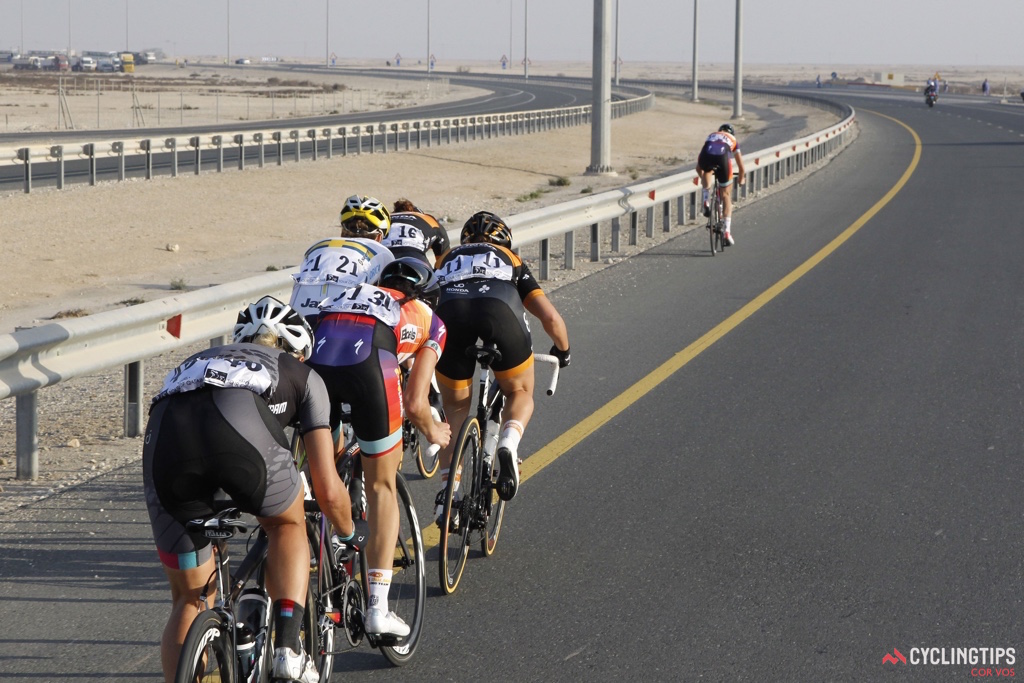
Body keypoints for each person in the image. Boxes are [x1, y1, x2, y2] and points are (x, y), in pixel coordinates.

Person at [143, 296, 358, 683]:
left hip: (165, 434)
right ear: (300, 350)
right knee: (286, 526)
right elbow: (326, 488)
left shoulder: (202, 358)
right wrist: (349, 534)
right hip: (237, 424)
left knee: (190, 598)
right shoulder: (302, 373)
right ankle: (288, 649)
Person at [305, 257, 451, 637]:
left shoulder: (348, 293)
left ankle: (325, 535)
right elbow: (417, 404)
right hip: (370, 365)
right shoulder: (431, 320)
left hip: (317, 359)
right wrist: (434, 433)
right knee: (381, 485)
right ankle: (378, 609)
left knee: (325, 470)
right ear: (427, 296)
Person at [432, 211, 570, 515]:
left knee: (454, 409)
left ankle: (446, 494)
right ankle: (508, 439)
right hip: (500, 311)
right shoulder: (510, 258)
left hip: (449, 313)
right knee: (520, 391)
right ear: (504, 239)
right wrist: (563, 351)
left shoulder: (446, 258)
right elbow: (550, 318)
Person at [289, 194, 395, 326]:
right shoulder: (383, 252)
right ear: (379, 237)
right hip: (338, 317)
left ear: (342, 230)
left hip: (298, 314)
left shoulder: (317, 246)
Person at [696, 123, 746, 246]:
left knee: (707, 171)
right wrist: (741, 179)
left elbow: (698, 168)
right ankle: (727, 232)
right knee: (726, 195)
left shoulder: (711, 135)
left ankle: (706, 199)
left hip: (706, 155)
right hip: (722, 159)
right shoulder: (733, 140)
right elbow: (741, 167)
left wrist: (703, 179)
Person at [382, 198, 451, 266]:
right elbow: (445, 264)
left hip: (383, 255)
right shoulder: (428, 219)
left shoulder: (386, 219)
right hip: (413, 256)